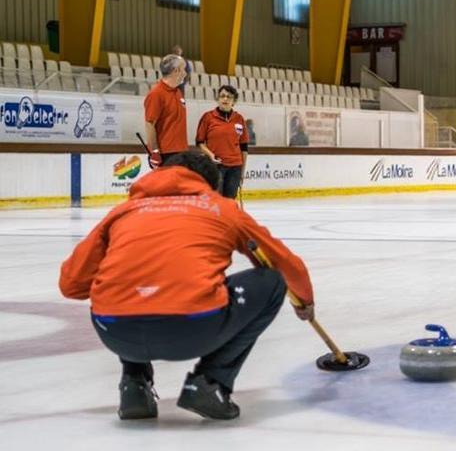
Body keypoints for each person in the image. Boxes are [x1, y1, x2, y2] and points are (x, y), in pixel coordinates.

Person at [58, 150, 315, 421]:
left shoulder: (122, 211)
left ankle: (134, 385)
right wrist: (304, 301)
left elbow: (71, 284)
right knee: (272, 282)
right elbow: (285, 264)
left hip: (116, 331)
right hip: (193, 327)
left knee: (125, 285)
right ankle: (210, 383)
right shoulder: (221, 208)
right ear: (208, 183)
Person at [196, 85, 249, 199]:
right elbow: (200, 142)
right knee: (216, 199)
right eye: (222, 96)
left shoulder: (239, 119)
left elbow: (244, 148)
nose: (225, 99)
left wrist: (242, 172)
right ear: (218, 99)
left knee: (229, 202)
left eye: (229, 97)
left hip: (235, 167)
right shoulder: (208, 117)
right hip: (216, 166)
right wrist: (211, 155)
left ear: (234, 101)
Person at [144, 54, 188, 167]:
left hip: (181, 151)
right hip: (166, 153)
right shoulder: (156, 94)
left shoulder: (177, 92)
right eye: (184, 69)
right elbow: (150, 124)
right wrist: (154, 151)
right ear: (176, 70)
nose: (186, 73)